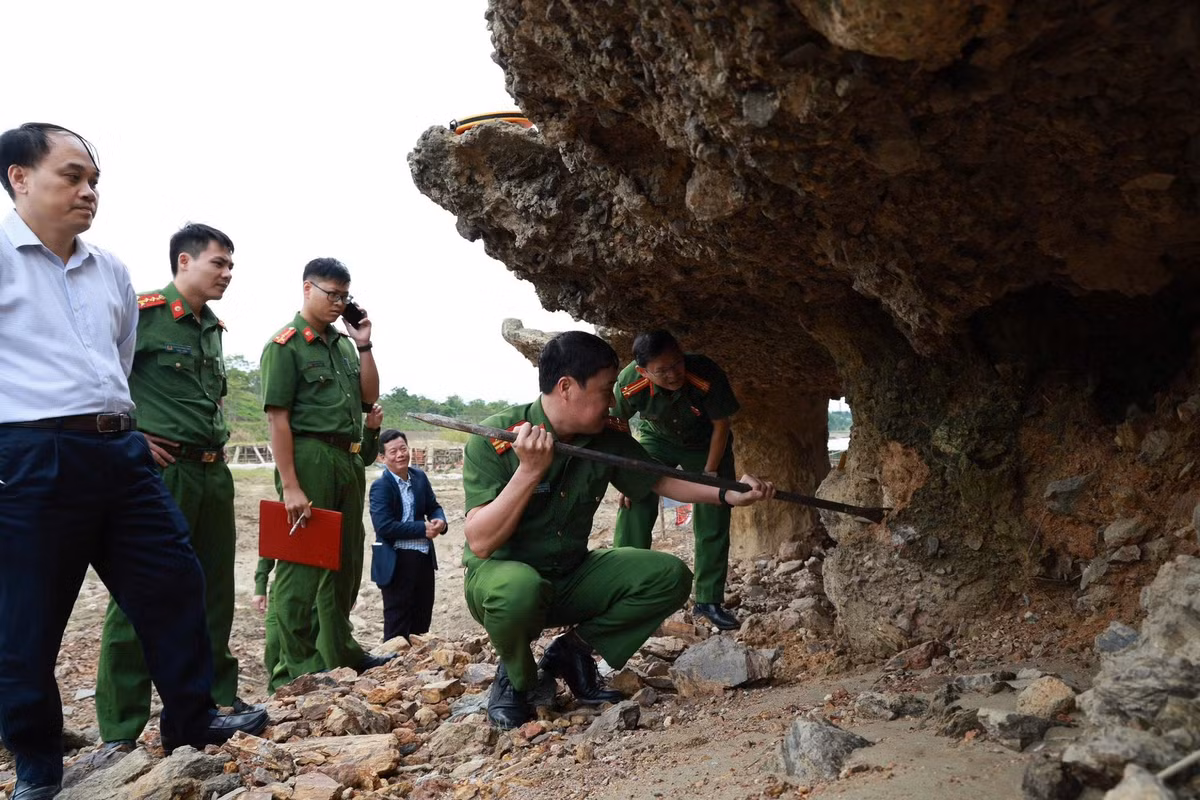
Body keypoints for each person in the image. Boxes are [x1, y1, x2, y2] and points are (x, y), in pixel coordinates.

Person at [0, 123, 267, 800]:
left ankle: (191, 719)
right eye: (72, 176)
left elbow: (118, 364)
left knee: (174, 584)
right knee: (26, 621)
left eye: (95, 180)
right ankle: (37, 764)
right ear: (19, 178)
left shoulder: (110, 270)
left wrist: (116, 424)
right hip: (32, 456)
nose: (88, 190)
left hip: (119, 455)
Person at [462, 331, 774, 730]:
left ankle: (573, 653)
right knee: (518, 588)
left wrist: (733, 494)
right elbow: (481, 541)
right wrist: (528, 471)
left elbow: (661, 481)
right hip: (504, 581)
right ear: (567, 388)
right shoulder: (498, 438)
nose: (613, 401)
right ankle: (519, 679)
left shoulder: (605, 439)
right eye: (606, 389)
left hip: (569, 576)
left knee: (667, 576)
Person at [94, 223, 252, 753]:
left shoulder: (213, 328)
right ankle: (120, 726)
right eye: (218, 263)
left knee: (213, 591)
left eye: (231, 265)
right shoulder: (142, 314)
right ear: (184, 262)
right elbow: (97, 376)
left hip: (212, 472)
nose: (228, 274)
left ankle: (211, 704)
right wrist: (129, 435)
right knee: (141, 594)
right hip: (161, 472)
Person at [259, 258, 393, 692]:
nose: (338, 303)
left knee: (345, 562)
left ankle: (339, 650)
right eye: (331, 294)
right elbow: (278, 420)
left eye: (344, 296)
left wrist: (364, 345)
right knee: (302, 565)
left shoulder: (341, 344)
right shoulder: (286, 345)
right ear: (306, 289)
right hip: (310, 454)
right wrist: (292, 486)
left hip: (348, 457)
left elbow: (368, 396)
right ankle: (290, 670)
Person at [612, 330, 743, 630]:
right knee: (635, 500)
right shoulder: (629, 382)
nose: (673, 374)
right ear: (644, 371)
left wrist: (710, 475)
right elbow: (616, 423)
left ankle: (708, 601)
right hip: (657, 440)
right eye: (662, 371)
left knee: (715, 509)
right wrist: (626, 474)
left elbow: (721, 425)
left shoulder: (705, 373)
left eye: (677, 364)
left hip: (707, 444)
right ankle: (624, 593)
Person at [253, 406, 383, 674]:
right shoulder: (306, 458)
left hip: (341, 468)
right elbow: (271, 547)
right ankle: (289, 672)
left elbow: (366, 453)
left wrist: (370, 430)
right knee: (298, 583)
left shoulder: (346, 438)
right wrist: (290, 485)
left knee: (335, 580)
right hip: (308, 476)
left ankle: (335, 658)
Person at [369, 429, 448, 641]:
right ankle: (391, 669)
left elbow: (433, 506)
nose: (400, 455)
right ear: (382, 458)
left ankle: (419, 669)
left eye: (403, 449)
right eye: (393, 452)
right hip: (397, 560)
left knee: (422, 621)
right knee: (397, 623)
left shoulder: (419, 477)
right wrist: (421, 528)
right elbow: (384, 527)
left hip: (422, 557)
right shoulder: (381, 487)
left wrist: (440, 520)